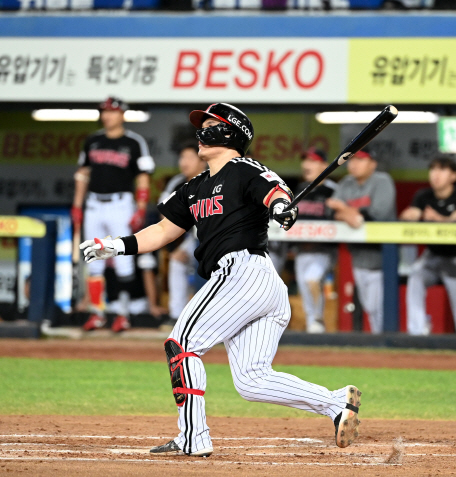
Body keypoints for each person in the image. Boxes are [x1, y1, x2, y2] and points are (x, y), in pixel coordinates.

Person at [80, 103, 361, 457]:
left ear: (230, 133)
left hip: (243, 271)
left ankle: (193, 437)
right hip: (252, 284)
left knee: (181, 344)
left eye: (211, 125)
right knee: (252, 380)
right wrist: (117, 246)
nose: (201, 131)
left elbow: (275, 190)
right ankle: (335, 403)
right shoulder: (194, 187)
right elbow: (165, 230)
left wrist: (280, 207)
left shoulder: (243, 169)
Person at [72, 97, 154, 332]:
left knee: (123, 259)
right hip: (94, 203)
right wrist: (77, 205)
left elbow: (143, 176)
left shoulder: (134, 142)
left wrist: (140, 207)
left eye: (112, 111)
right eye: (104, 111)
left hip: (121, 203)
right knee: (94, 258)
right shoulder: (93, 140)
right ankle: (97, 313)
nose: (107, 115)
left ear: (122, 114)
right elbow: (82, 173)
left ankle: (122, 313)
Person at [399, 156, 456, 336]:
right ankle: (417, 332)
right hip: (432, 255)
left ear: (453, 176)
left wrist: (440, 219)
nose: (436, 175)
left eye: (442, 170)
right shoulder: (423, 195)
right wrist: (411, 215)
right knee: (415, 279)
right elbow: (408, 215)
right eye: (433, 170)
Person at [326, 148, 396, 334]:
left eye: (361, 159)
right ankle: (378, 347)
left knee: (378, 309)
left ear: (372, 163)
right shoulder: (347, 182)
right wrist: (348, 214)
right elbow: (331, 212)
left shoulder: (382, 181)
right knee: (369, 307)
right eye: (352, 159)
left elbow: (375, 215)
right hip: (358, 255)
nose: (354, 164)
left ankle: (386, 346)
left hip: (384, 257)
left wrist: (342, 208)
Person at [158, 143, 208, 322]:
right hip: (192, 235)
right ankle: (176, 315)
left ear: (202, 160)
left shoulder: (213, 178)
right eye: (182, 157)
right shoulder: (177, 182)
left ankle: (208, 317)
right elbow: (164, 212)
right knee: (177, 260)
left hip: (214, 236)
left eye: (189, 157)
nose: (184, 162)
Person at [294, 147, 337, 333]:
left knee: (312, 280)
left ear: (324, 166)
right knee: (304, 286)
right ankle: (314, 323)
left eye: (312, 161)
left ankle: (317, 319)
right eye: (305, 161)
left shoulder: (333, 190)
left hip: (324, 250)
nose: (306, 165)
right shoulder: (299, 189)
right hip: (301, 250)